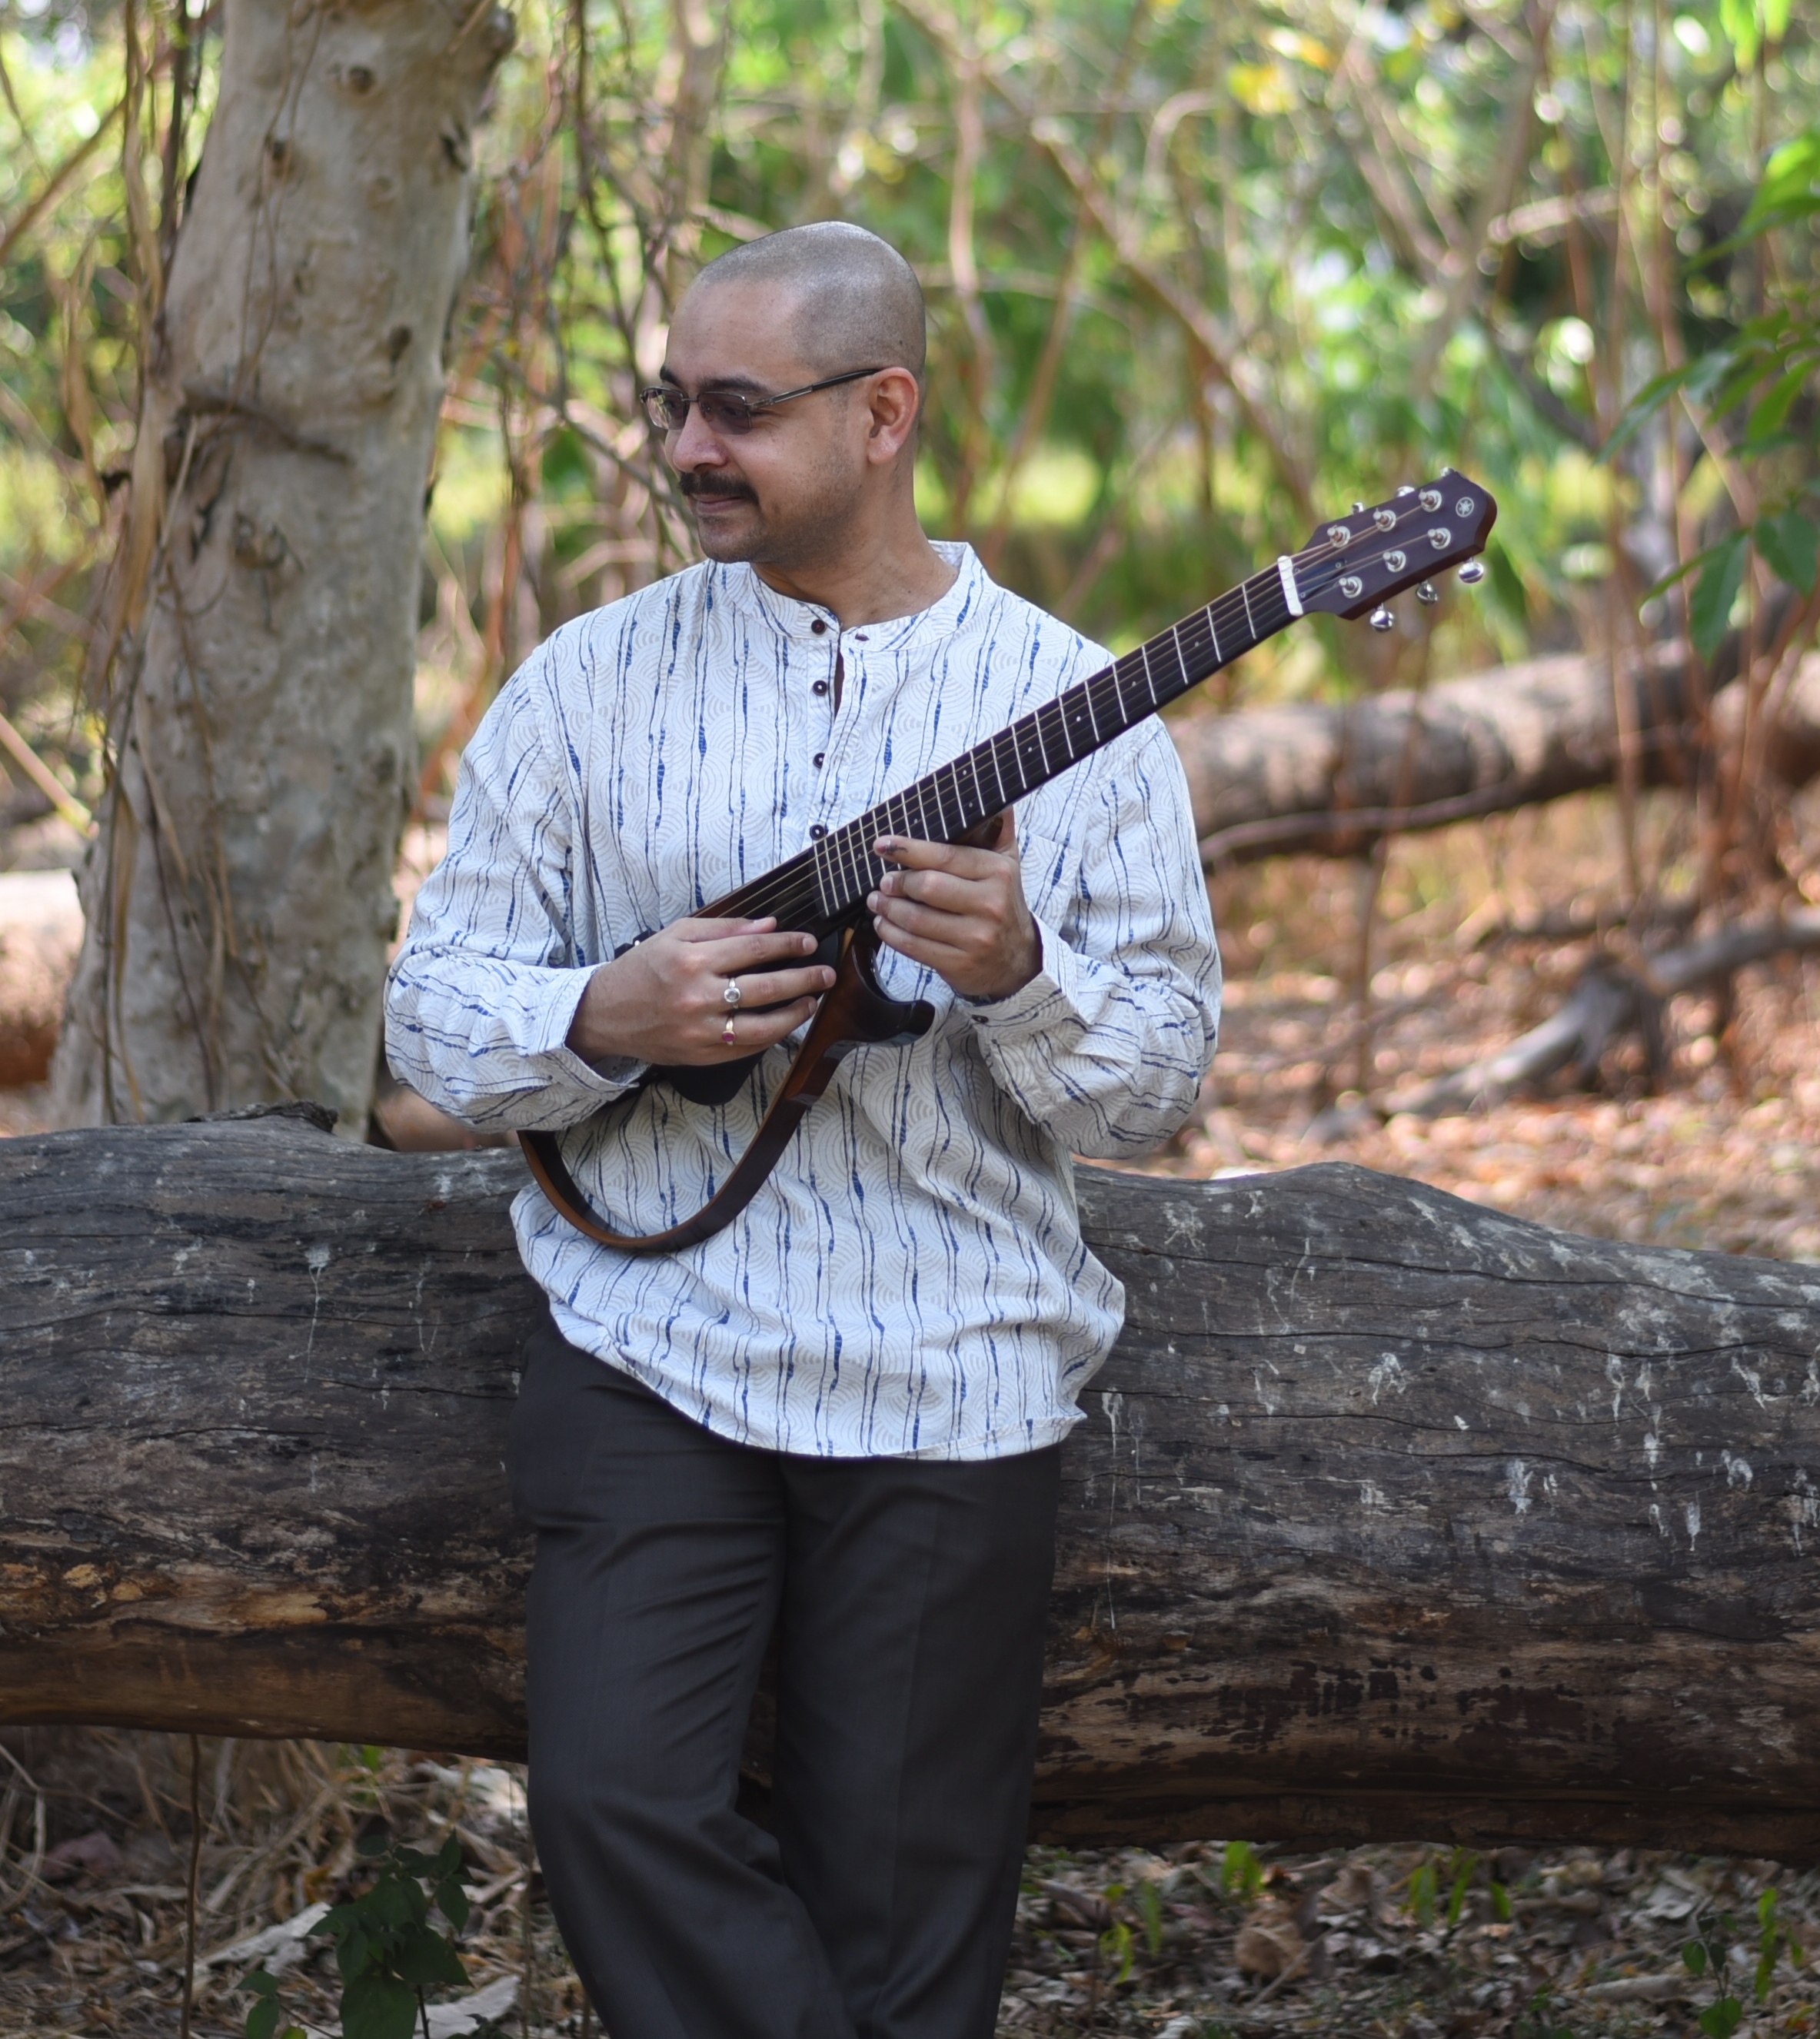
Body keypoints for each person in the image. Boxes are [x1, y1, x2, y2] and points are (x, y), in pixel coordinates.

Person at [384, 220, 1221, 2039]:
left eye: (738, 410)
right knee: (614, 1804)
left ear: (883, 413)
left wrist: (1016, 976)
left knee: (905, 1908)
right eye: (672, 404)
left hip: (953, 1364)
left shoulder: (1072, 708)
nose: (688, 446)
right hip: (646, 1345)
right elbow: (432, 1009)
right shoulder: (586, 686)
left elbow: (1157, 1091)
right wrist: (601, 1016)